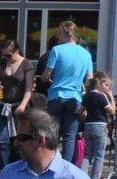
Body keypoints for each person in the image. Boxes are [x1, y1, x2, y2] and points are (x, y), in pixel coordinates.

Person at [40, 20, 94, 163]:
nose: (57, 36)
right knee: (70, 137)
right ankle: (66, 167)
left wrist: (46, 79)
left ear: (67, 33)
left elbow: (46, 75)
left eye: (59, 33)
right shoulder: (86, 54)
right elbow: (89, 79)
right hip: (75, 98)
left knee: (53, 135)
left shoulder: (56, 50)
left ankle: (50, 164)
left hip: (56, 96)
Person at [0, 38, 34, 167]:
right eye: (3, 55)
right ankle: (4, 171)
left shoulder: (27, 65)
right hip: (2, 107)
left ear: (16, 51)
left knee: (18, 142)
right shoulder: (2, 62)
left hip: (19, 107)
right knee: (3, 141)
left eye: (8, 55)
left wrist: (23, 105)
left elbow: (29, 89)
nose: (5, 57)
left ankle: (18, 169)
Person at [80, 71, 115, 179]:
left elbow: (82, 110)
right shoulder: (102, 96)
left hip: (88, 125)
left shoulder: (86, 95)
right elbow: (112, 111)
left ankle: (82, 178)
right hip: (100, 125)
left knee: (87, 154)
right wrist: (111, 97)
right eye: (106, 85)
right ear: (99, 83)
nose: (108, 88)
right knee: (99, 155)